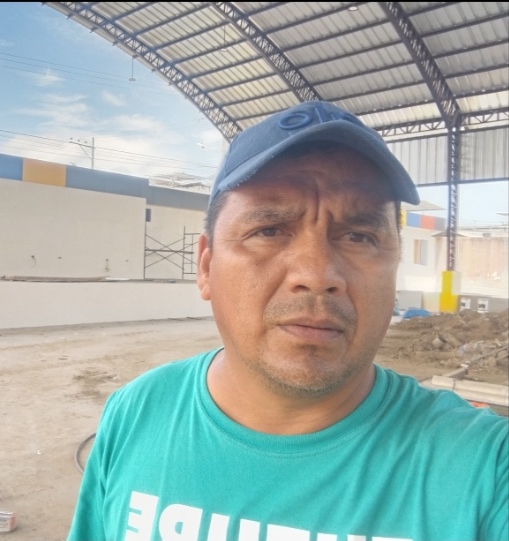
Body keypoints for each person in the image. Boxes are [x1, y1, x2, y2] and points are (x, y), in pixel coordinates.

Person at [67, 101, 508, 541]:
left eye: (359, 237)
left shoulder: (487, 467)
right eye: (269, 230)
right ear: (206, 267)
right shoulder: (135, 413)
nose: (317, 275)